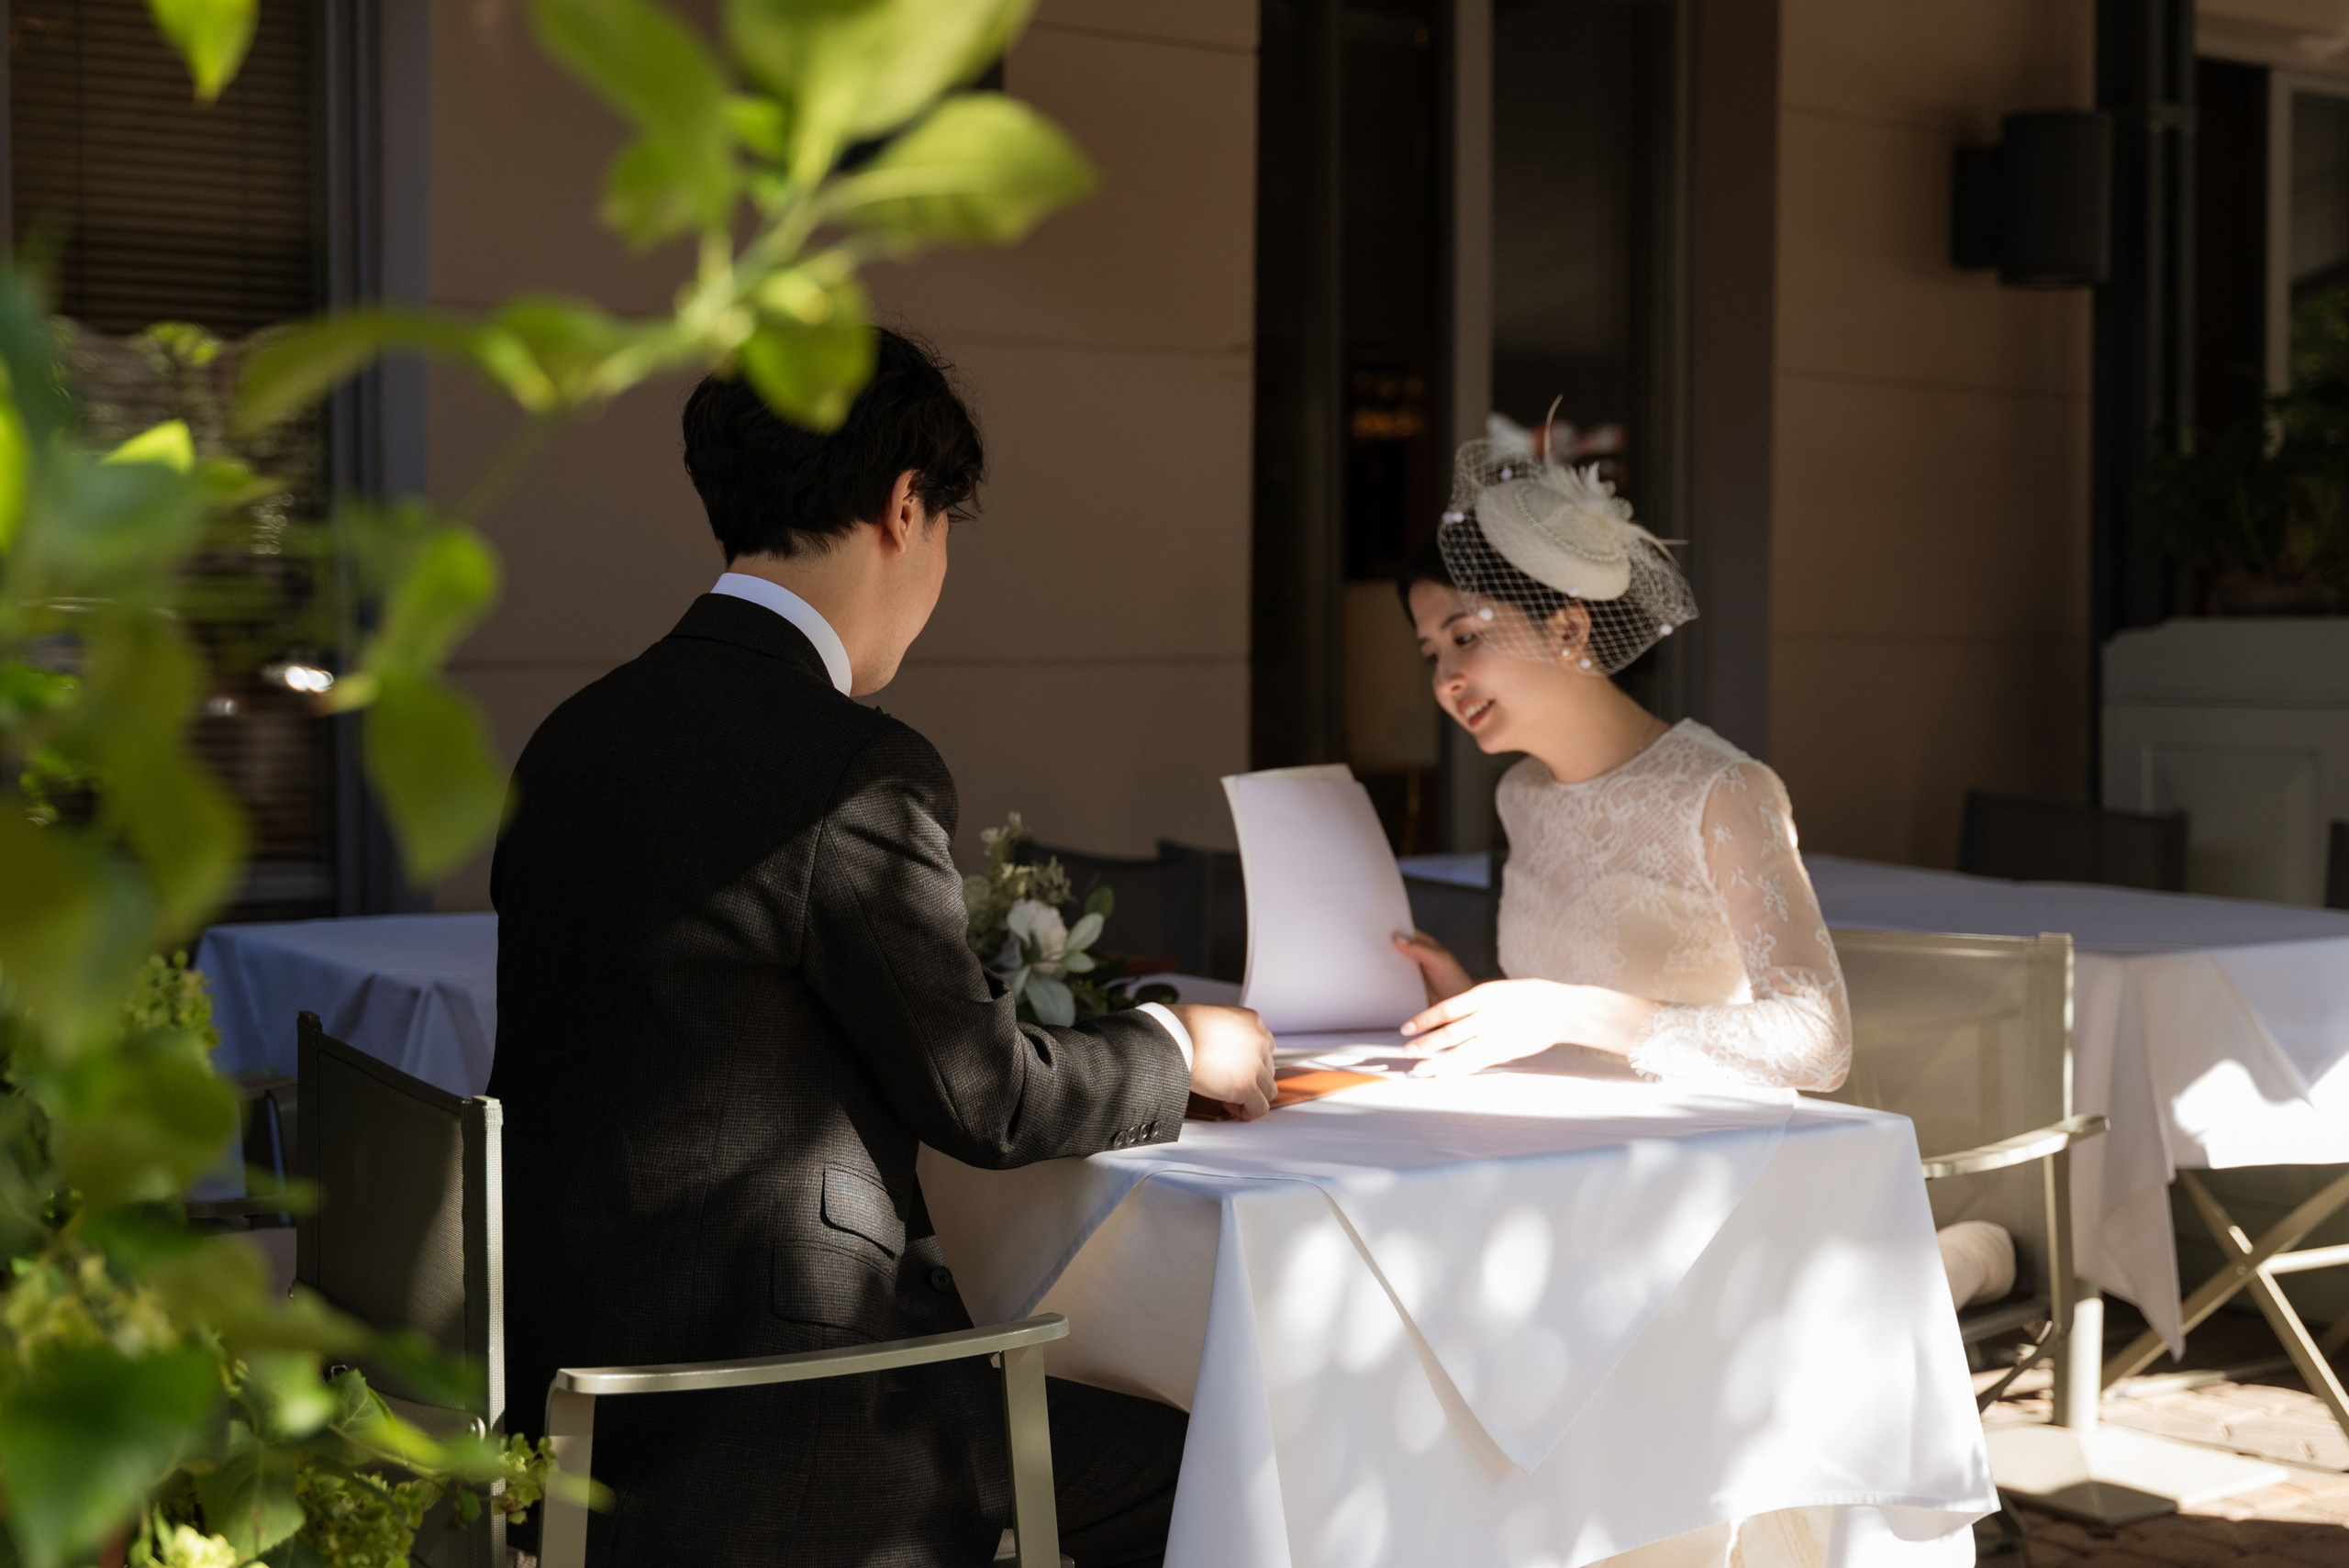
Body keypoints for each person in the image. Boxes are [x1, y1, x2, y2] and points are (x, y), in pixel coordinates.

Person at [489, 328, 1276, 1568]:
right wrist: (1181, 1045)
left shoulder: (575, 737)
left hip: (575, 1410)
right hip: (779, 1432)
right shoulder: (851, 768)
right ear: (906, 507)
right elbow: (988, 1098)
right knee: (1228, 1462)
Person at [1389, 418, 1850, 1092]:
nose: (1444, 680)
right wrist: (1473, 1000)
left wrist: (1568, 1010)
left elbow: (1820, 1044)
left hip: (1707, 1155)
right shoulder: (1520, 792)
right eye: (1432, 653)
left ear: (1570, 627)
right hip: (1559, 1139)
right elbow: (1567, 1026)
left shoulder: (1723, 789)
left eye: (1465, 637)